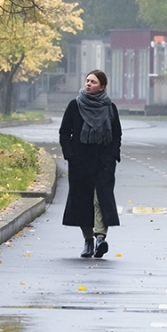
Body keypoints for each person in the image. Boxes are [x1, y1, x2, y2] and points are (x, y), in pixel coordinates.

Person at [59, 70, 122, 258]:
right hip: (80, 162)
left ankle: (100, 238)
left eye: (93, 82)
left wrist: (112, 156)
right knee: (82, 201)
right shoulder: (75, 105)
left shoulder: (110, 108)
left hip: (103, 162)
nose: (88, 84)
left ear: (102, 86)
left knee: (100, 199)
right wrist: (70, 155)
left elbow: (117, 134)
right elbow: (64, 132)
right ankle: (88, 241)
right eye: (87, 81)